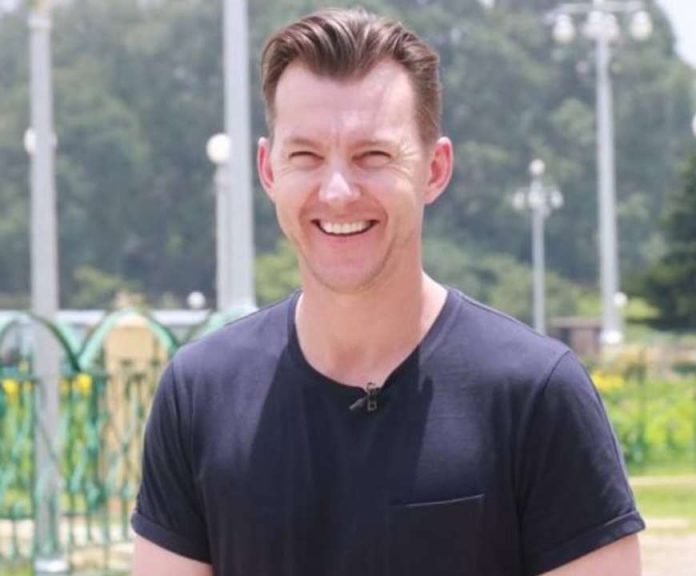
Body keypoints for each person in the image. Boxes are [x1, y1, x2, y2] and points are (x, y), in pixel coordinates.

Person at [130, 8, 644, 576]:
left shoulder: (536, 395)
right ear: (269, 170)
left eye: (373, 156)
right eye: (305, 156)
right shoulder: (198, 394)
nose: (337, 190)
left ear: (435, 169)